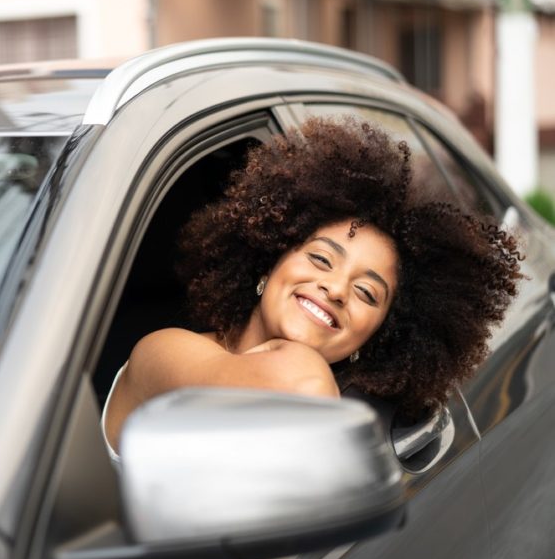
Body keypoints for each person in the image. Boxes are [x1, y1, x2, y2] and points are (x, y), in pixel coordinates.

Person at [101, 116, 522, 465]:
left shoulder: (341, 401)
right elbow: (299, 382)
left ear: (378, 337)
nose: (336, 288)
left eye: (367, 293)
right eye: (321, 259)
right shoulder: (164, 352)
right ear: (268, 261)